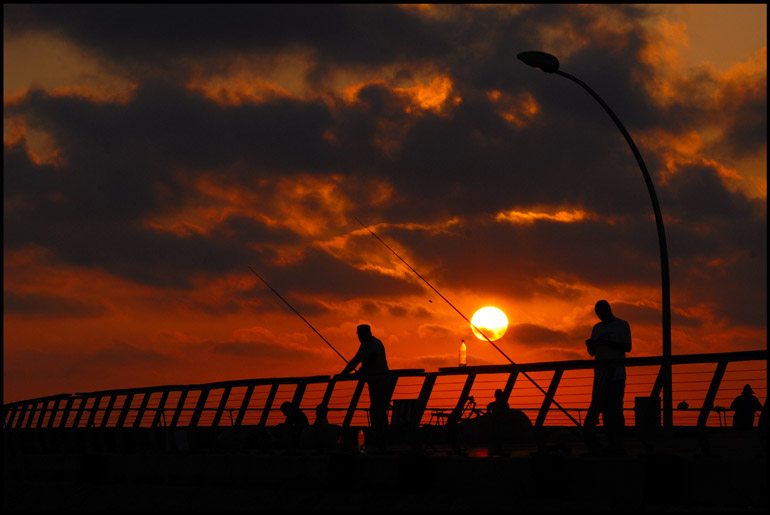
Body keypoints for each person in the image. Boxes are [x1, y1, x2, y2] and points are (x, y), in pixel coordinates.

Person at [583, 300, 631, 455]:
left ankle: (617, 442)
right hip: (599, 376)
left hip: (616, 376)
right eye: (598, 313)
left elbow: (627, 347)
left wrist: (606, 342)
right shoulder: (597, 328)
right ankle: (607, 442)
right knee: (601, 409)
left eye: (601, 312)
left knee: (615, 409)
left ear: (608, 310)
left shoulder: (622, 325)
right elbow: (592, 353)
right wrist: (590, 345)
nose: (600, 316)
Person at [339, 324, 394, 450]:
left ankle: (382, 441)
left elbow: (371, 359)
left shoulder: (375, 344)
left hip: (382, 382)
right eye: (359, 334)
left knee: (379, 411)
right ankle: (380, 440)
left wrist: (361, 371)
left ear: (368, 333)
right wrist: (343, 374)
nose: (360, 337)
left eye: (362, 334)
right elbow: (356, 360)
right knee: (376, 411)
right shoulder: (363, 346)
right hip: (373, 383)